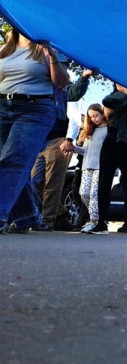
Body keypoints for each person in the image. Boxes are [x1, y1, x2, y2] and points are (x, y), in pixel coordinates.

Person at [0, 29, 68, 234]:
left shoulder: (46, 48)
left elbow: (62, 83)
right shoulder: (5, 49)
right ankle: (25, 216)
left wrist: (51, 57)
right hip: (3, 107)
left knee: (14, 159)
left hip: (35, 109)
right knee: (8, 162)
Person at [32, 67, 93, 231]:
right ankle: (59, 213)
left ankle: (48, 220)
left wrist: (69, 139)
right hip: (41, 142)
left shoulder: (66, 90)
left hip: (59, 140)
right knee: (33, 181)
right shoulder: (41, 88)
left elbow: (74, 116)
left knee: (53, 182)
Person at [91, 84, 127, 235]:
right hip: (112, 141)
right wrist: (126, 96)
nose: (120, 84)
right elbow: (108, 113)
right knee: (104, 182)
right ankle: (102, 222)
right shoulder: (111, 99)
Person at [73, 104, 108, 233]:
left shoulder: (107, 130)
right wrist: (74, 147)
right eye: (90, 116)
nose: (93, 119)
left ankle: (94, 221)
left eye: (95, 115)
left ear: (102, 114)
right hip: (87, 166)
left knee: (94, 194)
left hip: (100, 167)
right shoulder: (89, 131)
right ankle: (95, 217)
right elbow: (85, 151)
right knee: (84, 193)